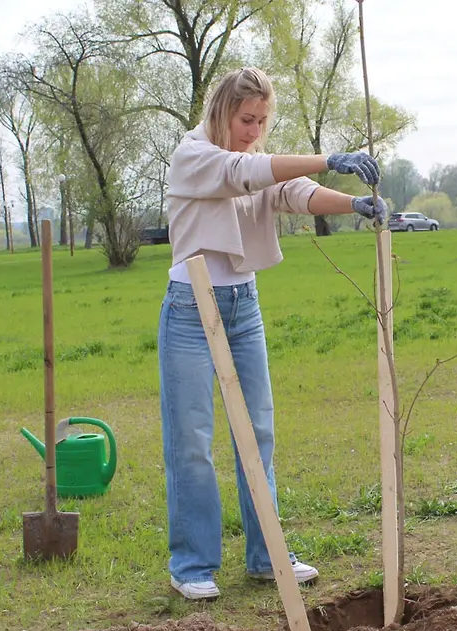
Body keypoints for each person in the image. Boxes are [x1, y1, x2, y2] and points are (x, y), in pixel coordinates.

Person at [158, 66, 388, 601]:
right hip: (191, 310)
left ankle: (267, 557)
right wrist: (329, 157)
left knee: (258, 433)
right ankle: (192, 565)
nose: (254, 130)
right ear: (221, 111)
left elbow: (293, 191)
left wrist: (353, 204)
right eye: (246, 119)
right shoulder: (194, 155)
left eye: (262, 121)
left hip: (244, 306)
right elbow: (244, 173)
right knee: (192, 440)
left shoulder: (254, 159)